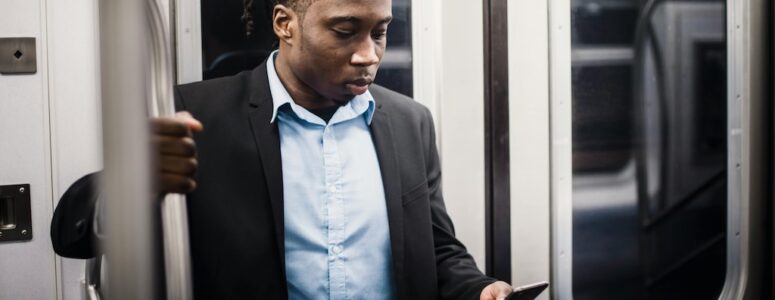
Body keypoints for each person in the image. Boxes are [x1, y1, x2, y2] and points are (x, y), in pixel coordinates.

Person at [51, 0, 513, 298]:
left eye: (380, 32)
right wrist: (131, 184)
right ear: (285, 24)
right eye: (345, 30)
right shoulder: (195, 114)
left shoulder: (410, 122)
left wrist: (478, 288)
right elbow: (72, 235)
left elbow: (437, 249)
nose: (369, 54)